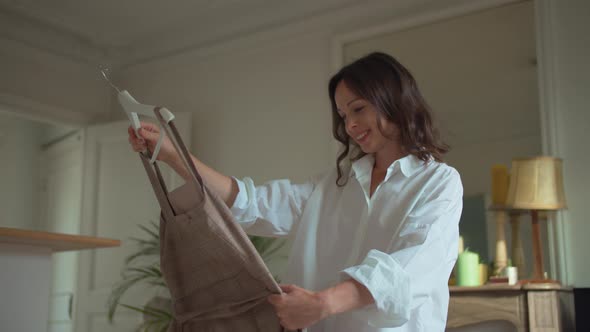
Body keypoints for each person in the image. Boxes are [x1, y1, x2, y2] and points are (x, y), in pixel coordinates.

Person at [128, 52, 463, 332]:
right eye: (344, 115)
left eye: (358, 109)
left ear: (394, 100)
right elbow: (249, 202)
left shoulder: (439, 183)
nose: (349, 126)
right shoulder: (333, 185)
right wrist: (172, 154)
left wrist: (323, 304)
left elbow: (409, 267)